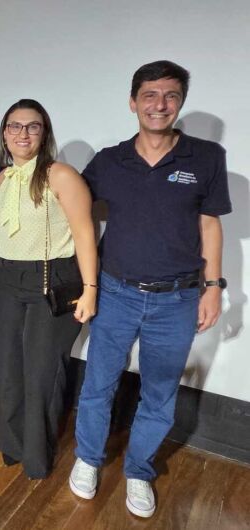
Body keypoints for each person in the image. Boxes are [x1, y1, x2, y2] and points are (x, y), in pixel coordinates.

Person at [69, 61, 231, 518]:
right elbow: (74, 202)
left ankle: (139, 470)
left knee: (159, 392)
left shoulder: (205, 157)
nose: (160, 104)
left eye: (171, 96)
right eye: (150, 95)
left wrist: (214, 286)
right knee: (98, 384)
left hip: (177, 299)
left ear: (180, 102)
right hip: (116, 293)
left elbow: (210, 223)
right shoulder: (110, 159)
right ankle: (88, 458)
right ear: (133, 101)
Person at [0, 99, 97, 479]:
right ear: (4, 133)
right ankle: (13, 445)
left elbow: (85, 233)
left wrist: (90, 290)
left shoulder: (60, 175)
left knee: (40, 372)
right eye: (15, 126)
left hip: (50, 280)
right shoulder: (3, 178)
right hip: (7, 280)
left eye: (32, 126)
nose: (23, 134)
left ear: (44, 133)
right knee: (8, 368)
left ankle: (37, 457)